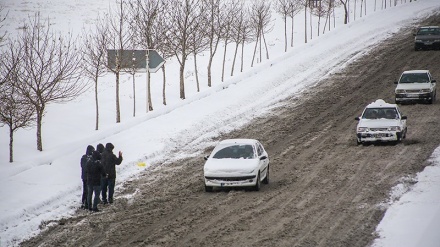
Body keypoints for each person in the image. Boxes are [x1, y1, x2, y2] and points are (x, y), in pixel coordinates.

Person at [80, 145, 94, 209]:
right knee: (88, 190)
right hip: (88, 177)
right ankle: (87, 203)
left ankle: (84, 202)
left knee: (85, 190)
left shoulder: (83, 158)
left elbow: (83, 166)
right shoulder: (90, 158)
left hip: (84, 176)